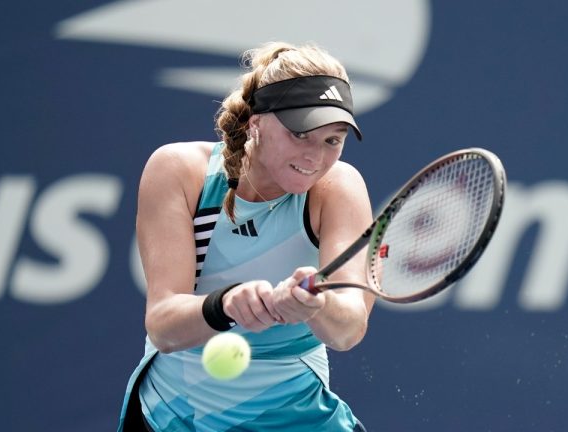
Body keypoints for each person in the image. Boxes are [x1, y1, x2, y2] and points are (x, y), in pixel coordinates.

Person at [118, 41, 375, 432]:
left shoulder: (338, 188)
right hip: (171, 415)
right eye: (301, 133)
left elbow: (349, 328)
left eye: (332, 140)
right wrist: (226, 305)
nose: (315, 157)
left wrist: (315, 305)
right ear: (256, 122)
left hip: (298, 415)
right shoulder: (179, 171)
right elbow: (164, 325)